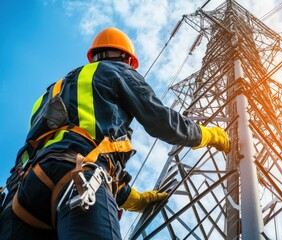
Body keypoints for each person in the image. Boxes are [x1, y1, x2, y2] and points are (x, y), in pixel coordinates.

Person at [0, 27, 230, 240]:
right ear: (128, 59)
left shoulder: (49, 93)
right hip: (78, 175)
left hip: (20, 193)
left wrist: (128, 197)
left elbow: (63, 146)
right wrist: (209, 135)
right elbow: (161, 121)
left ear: (94, 54)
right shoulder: (115, 70)